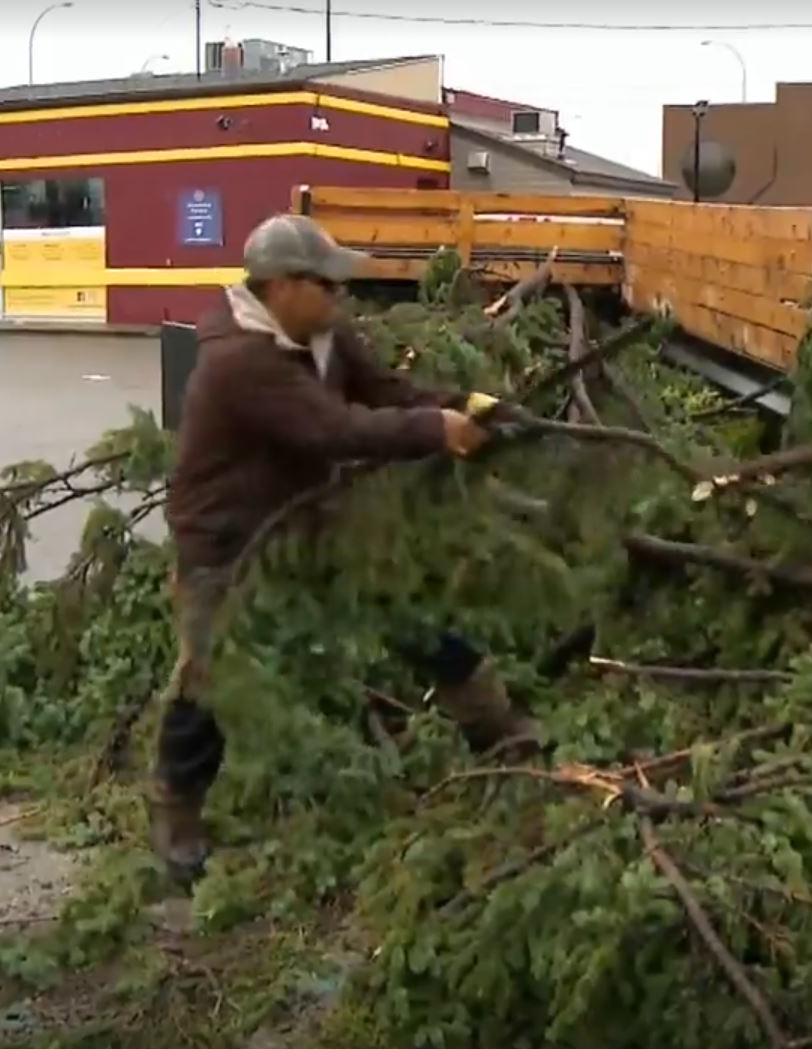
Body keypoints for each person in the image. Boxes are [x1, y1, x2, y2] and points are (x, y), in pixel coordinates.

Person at [151, 213, 531, 884]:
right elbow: (333, 429)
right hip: (226, 542)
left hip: (310, 526)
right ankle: (179, 818)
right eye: (326, 284)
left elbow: (387, 394)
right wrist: (434, 431)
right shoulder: (241, 359)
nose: (339, 296)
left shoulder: (324, 335)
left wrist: (470, 405)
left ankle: (500, 734)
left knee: (407, 612)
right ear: (281, 287)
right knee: (207, 679)